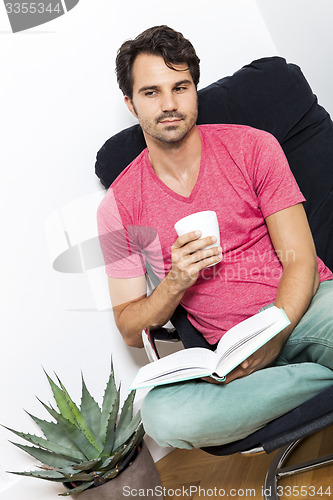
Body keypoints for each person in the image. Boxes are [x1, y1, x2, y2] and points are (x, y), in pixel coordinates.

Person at [97, 25, 333, 449]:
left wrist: (275, 333)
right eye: (152, 92)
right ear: (131, 104)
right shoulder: (117, 207)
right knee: (163, 417)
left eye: (180, 87)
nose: (169, 105)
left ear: (195, 92)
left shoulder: (254, 148)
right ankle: (319, 376)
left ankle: (298, 370)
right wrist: (174, 283)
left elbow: (301, 260)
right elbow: (131, 328)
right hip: (231, 353)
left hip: (304, 307)